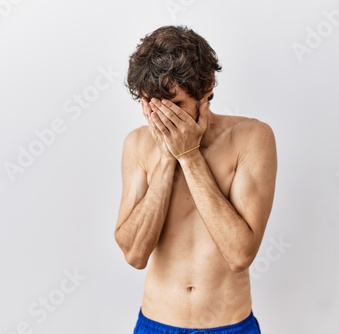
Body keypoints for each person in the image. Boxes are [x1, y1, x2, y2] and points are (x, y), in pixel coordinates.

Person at [115, 25, 277, 334]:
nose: (162, 120)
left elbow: (239, 254)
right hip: (155, 324)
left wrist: (189, 156)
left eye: (175, 107)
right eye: (152, 107)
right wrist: (166, 157)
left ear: (207, 88)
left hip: (229, 326)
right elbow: (134, 255)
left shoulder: (252, 137)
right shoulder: (137, 144)